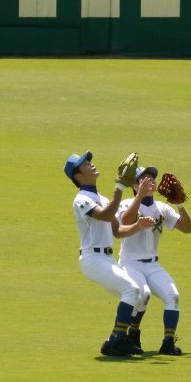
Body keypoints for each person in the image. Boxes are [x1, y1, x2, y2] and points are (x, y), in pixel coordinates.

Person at [63, 150, 149, 357]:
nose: (91, 164)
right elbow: (105, 214)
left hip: (106, 258)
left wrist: (138, 226)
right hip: (93, 259)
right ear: (77, 176)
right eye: (85, 164)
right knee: (131, 289)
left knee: (140, 296)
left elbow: (117, 231)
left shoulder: (99, 197)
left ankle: (112, 341)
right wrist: (119, 188)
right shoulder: (81, 199)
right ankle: (120, 340)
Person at [117, 166, 191, 355]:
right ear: (135, 184)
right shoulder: (127, 203)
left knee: (173, 296)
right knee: (143, 294)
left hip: (153, 265)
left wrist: (180, 204)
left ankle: (168, 343)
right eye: (144, 178)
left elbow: (187, 228)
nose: (151, 180)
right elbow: (126, 222)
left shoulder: (161, 208)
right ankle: (133, 333)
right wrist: (139, 196)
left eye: (152, 177)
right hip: (130, 263)